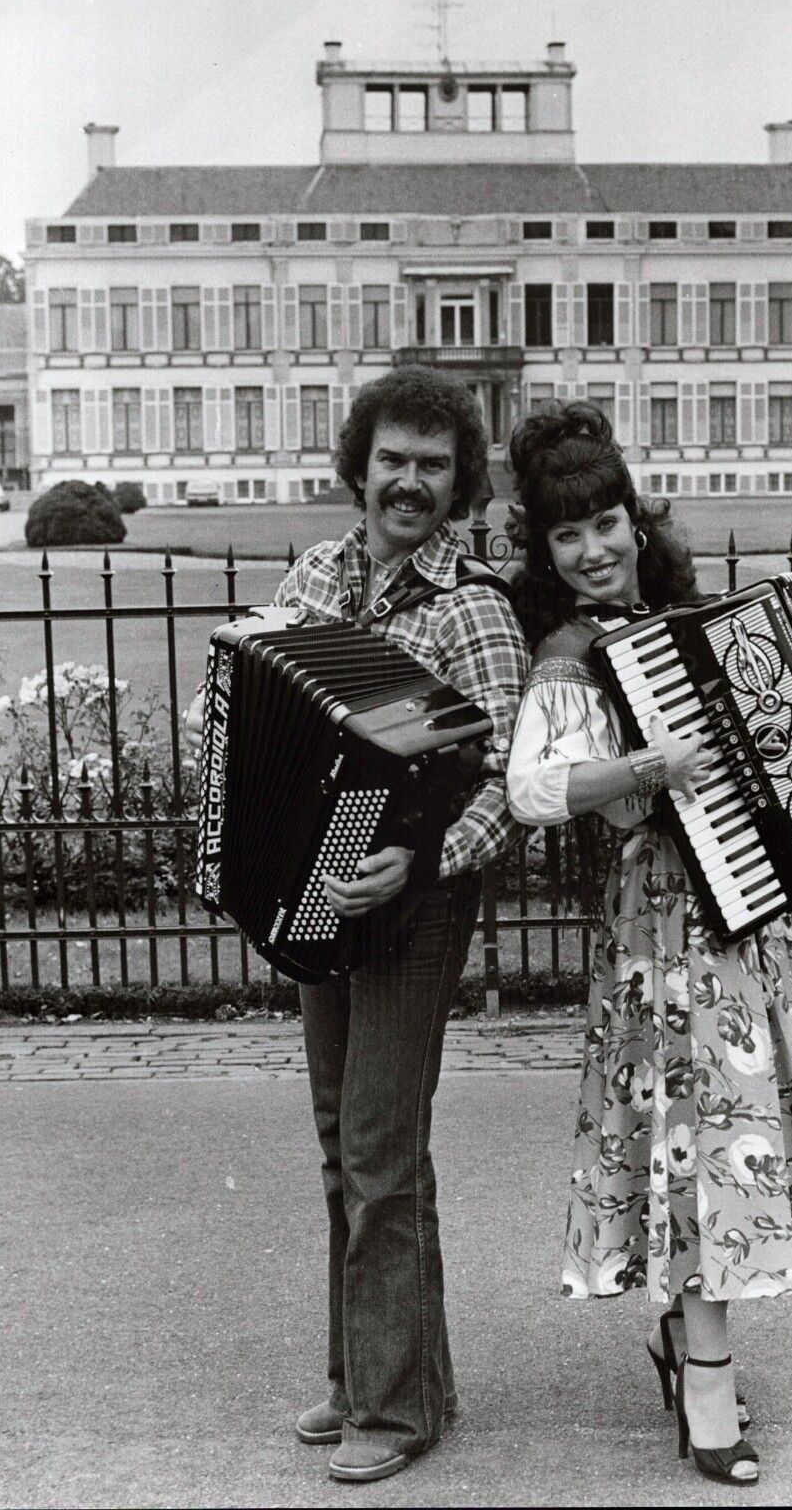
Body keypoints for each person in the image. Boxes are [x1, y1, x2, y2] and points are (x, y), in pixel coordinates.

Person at [186, 367, 529, 1484]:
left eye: (434, 466)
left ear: (460, 480)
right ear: (360, 465)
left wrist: (420, 858)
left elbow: (512, 780)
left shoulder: (472, 604)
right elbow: (251, 704)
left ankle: (394, 1406)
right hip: (322, 893)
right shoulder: (315, 576)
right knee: (348, 1146)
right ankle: (380, 1375)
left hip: (417, 906)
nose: (410, 483)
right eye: (393, 460)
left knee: (382, 1153)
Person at [504, 403, 792, 1487]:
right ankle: (706, 1376)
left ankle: (691, 1341)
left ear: (633, 521)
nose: (594, 549)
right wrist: (645, 769)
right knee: (694, 1137)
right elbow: (530, 791)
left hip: (751, 922)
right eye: (568, 536)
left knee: (735, 1128)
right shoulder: (569, 659)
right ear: (547, 551)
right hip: (659, 927)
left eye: (605, 523)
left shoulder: (696, 624)